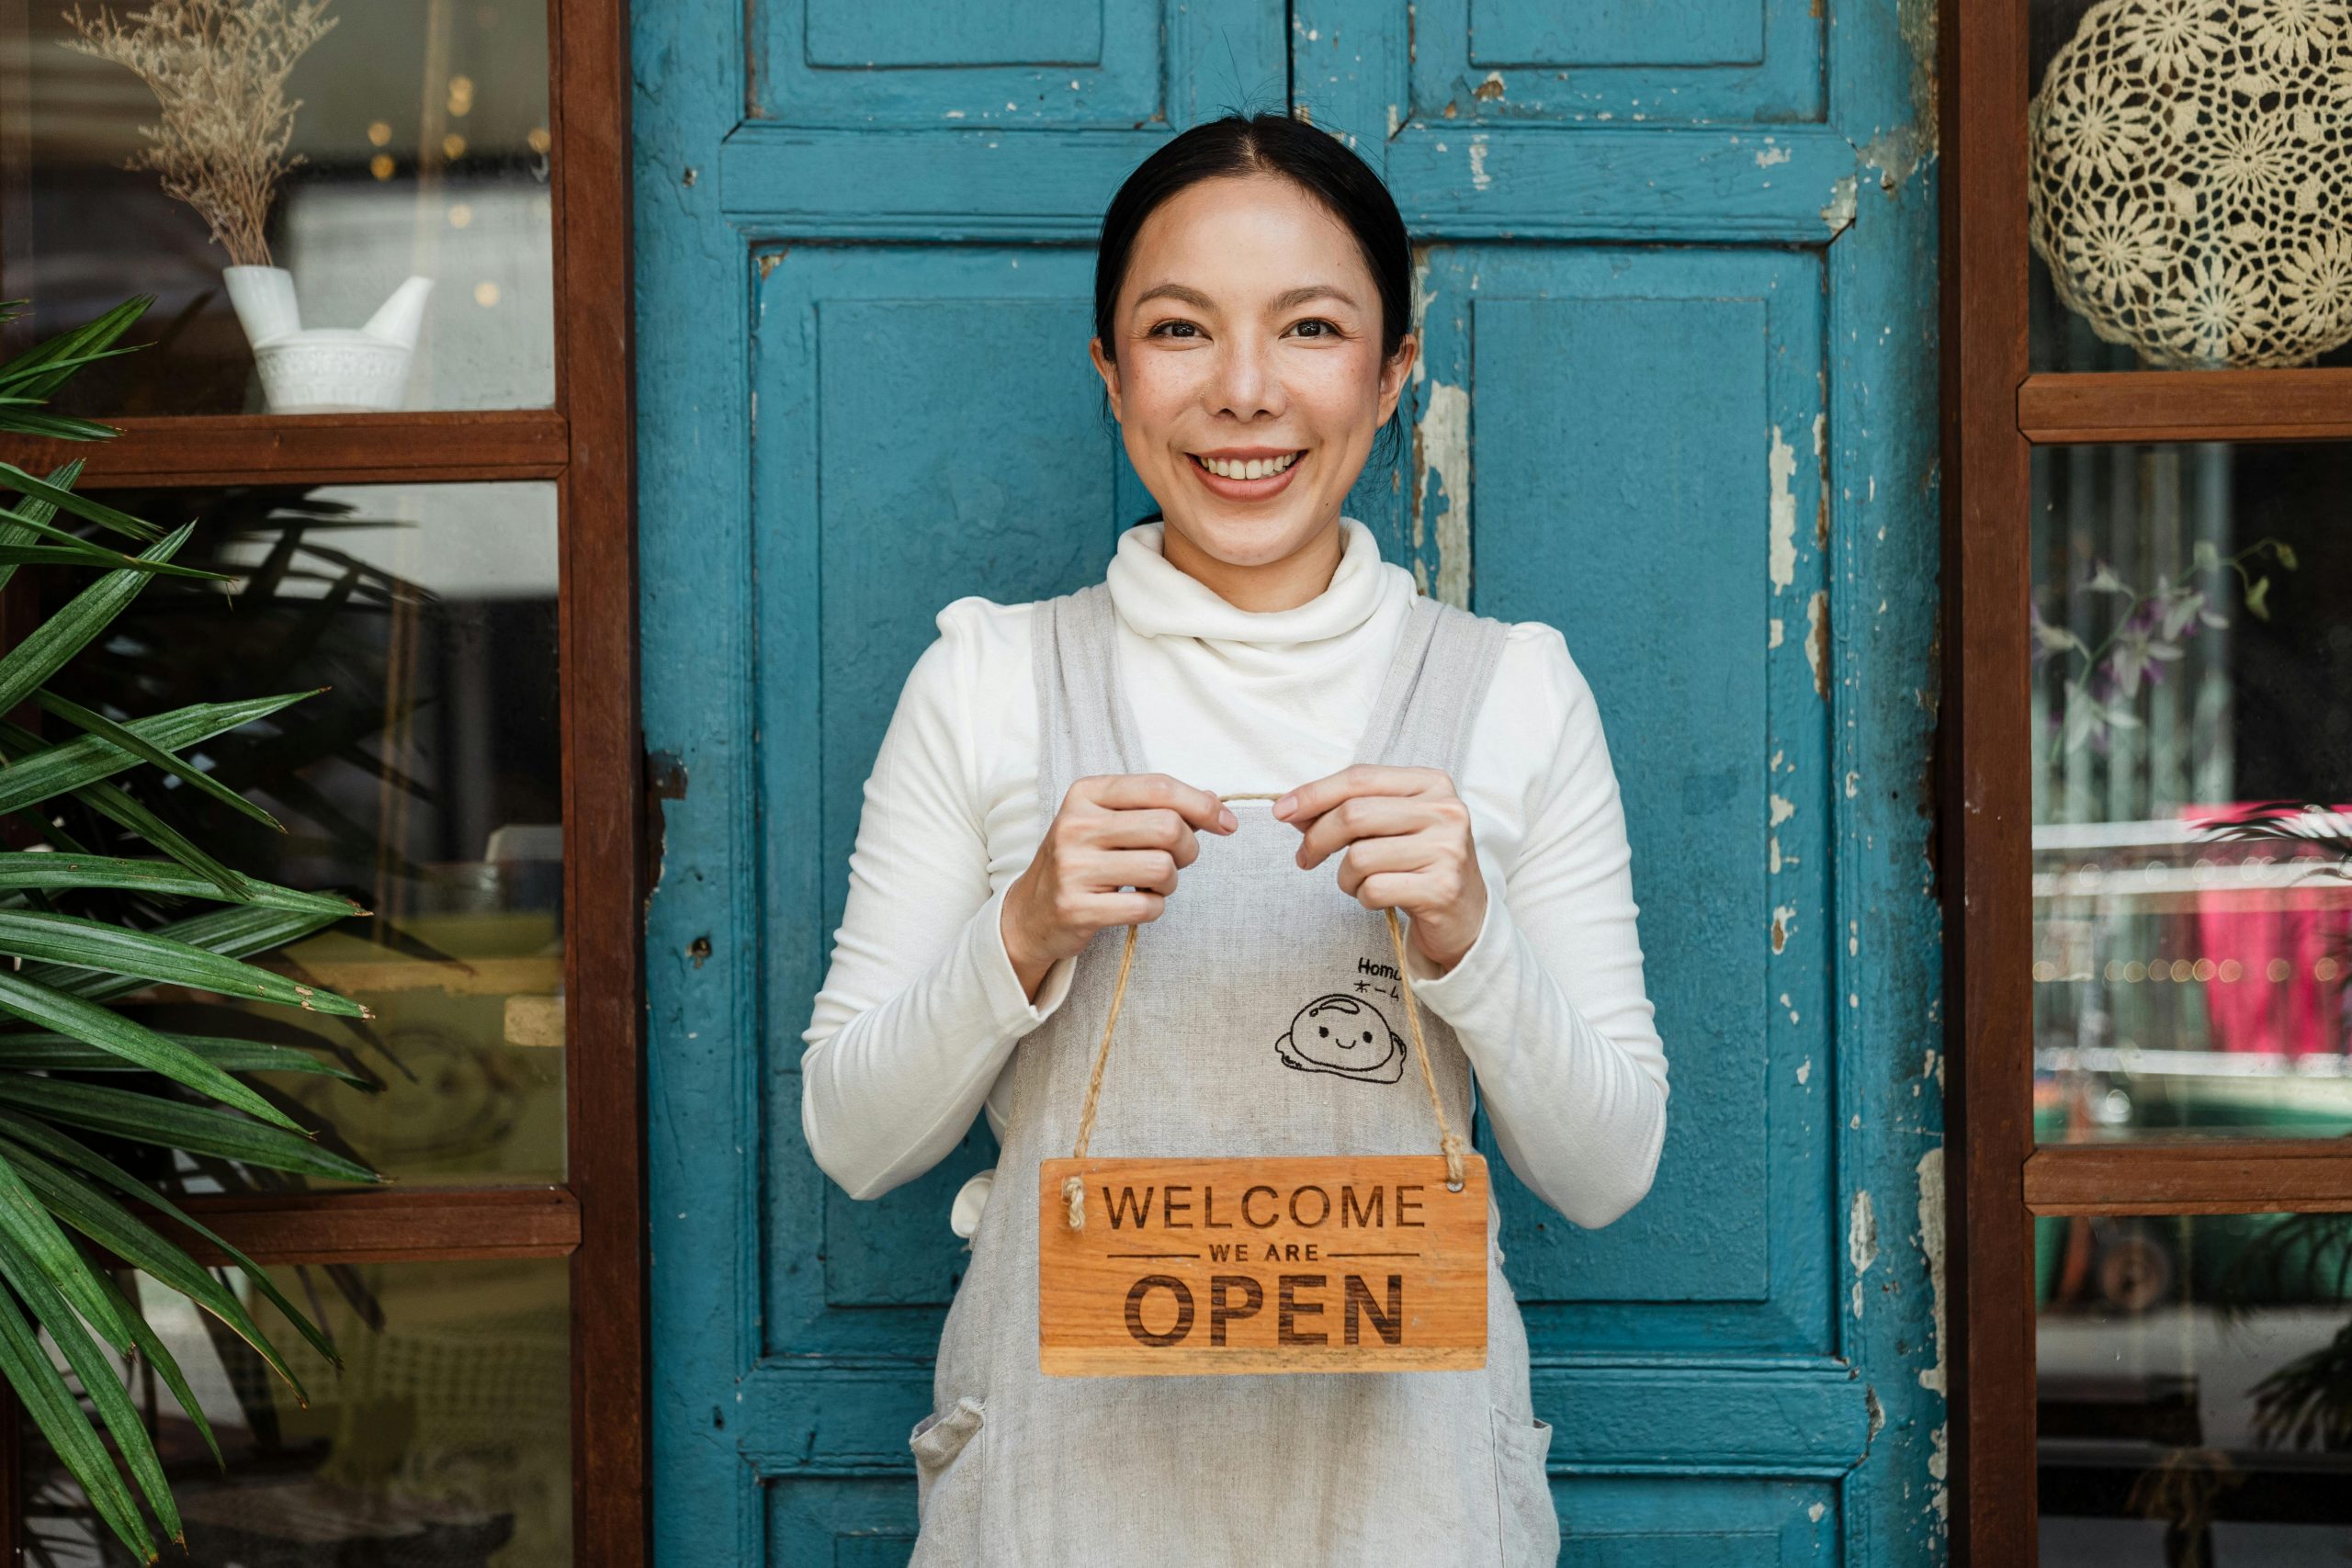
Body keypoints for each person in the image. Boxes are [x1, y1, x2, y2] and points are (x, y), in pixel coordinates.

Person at [798, 110, 1668, 1567]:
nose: (1247, 393)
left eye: (1314, 328)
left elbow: (1607, 1169)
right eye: (1181, 330)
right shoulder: (989, 680)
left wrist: (1471, 939)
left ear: (1393, 373)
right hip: (1064, 1508)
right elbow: (854, 1138)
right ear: (1111, 373)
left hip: (1410, 1508)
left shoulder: (1513, 691)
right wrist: (1022, 932)